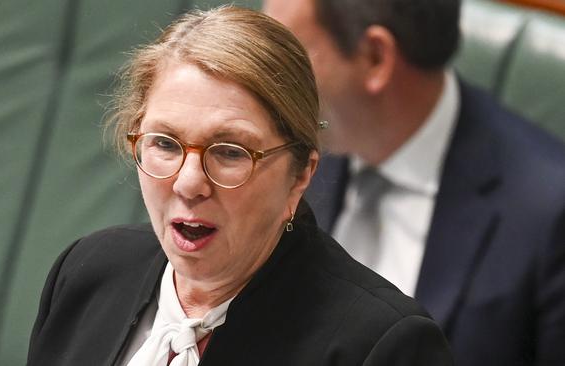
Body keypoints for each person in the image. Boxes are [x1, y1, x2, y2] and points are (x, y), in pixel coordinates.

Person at [26, 6, 452, 366]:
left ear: (300, 174)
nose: (189, 184)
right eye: (164, 143)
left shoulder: (381, 347)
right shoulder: (86, 273)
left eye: (230, 152)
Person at [263, 0, 565, 365]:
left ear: (375, 57)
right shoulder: (276, 156)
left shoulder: (548, 213)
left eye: (290, 57)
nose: (269, 83)